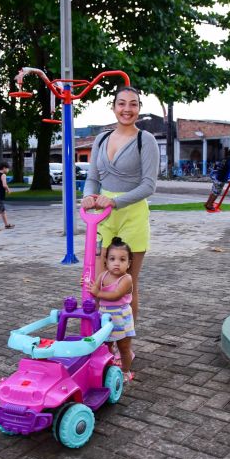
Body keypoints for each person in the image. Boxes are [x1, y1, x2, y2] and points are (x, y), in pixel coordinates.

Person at [81, 86, 160, 323]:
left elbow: (149, 186)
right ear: (114, 107)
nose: (127, 109)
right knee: (97, 282)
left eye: (133, 104)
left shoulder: (145, 141)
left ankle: (124, 343)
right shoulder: (101, 138)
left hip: (131, 216)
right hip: (103, 217)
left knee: (126, 285)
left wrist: (114, 202)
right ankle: (99, 340)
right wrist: (88, 197)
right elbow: (93, 178)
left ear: (139, 108)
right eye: (122, 103)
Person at [86, 237, 135, 381]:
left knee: (124, 347)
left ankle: (126, 371)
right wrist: (86, 283)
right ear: (106, 261)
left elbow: (115, 295)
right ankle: (108, 368)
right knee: (106, 345)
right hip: (105, 318)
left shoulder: (126, 279)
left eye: (122, 260)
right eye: (113, 259)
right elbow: (93, 289)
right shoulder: (103, 275)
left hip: (121, 317)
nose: (117, 263)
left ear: (129, 263)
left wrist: (98, 293)